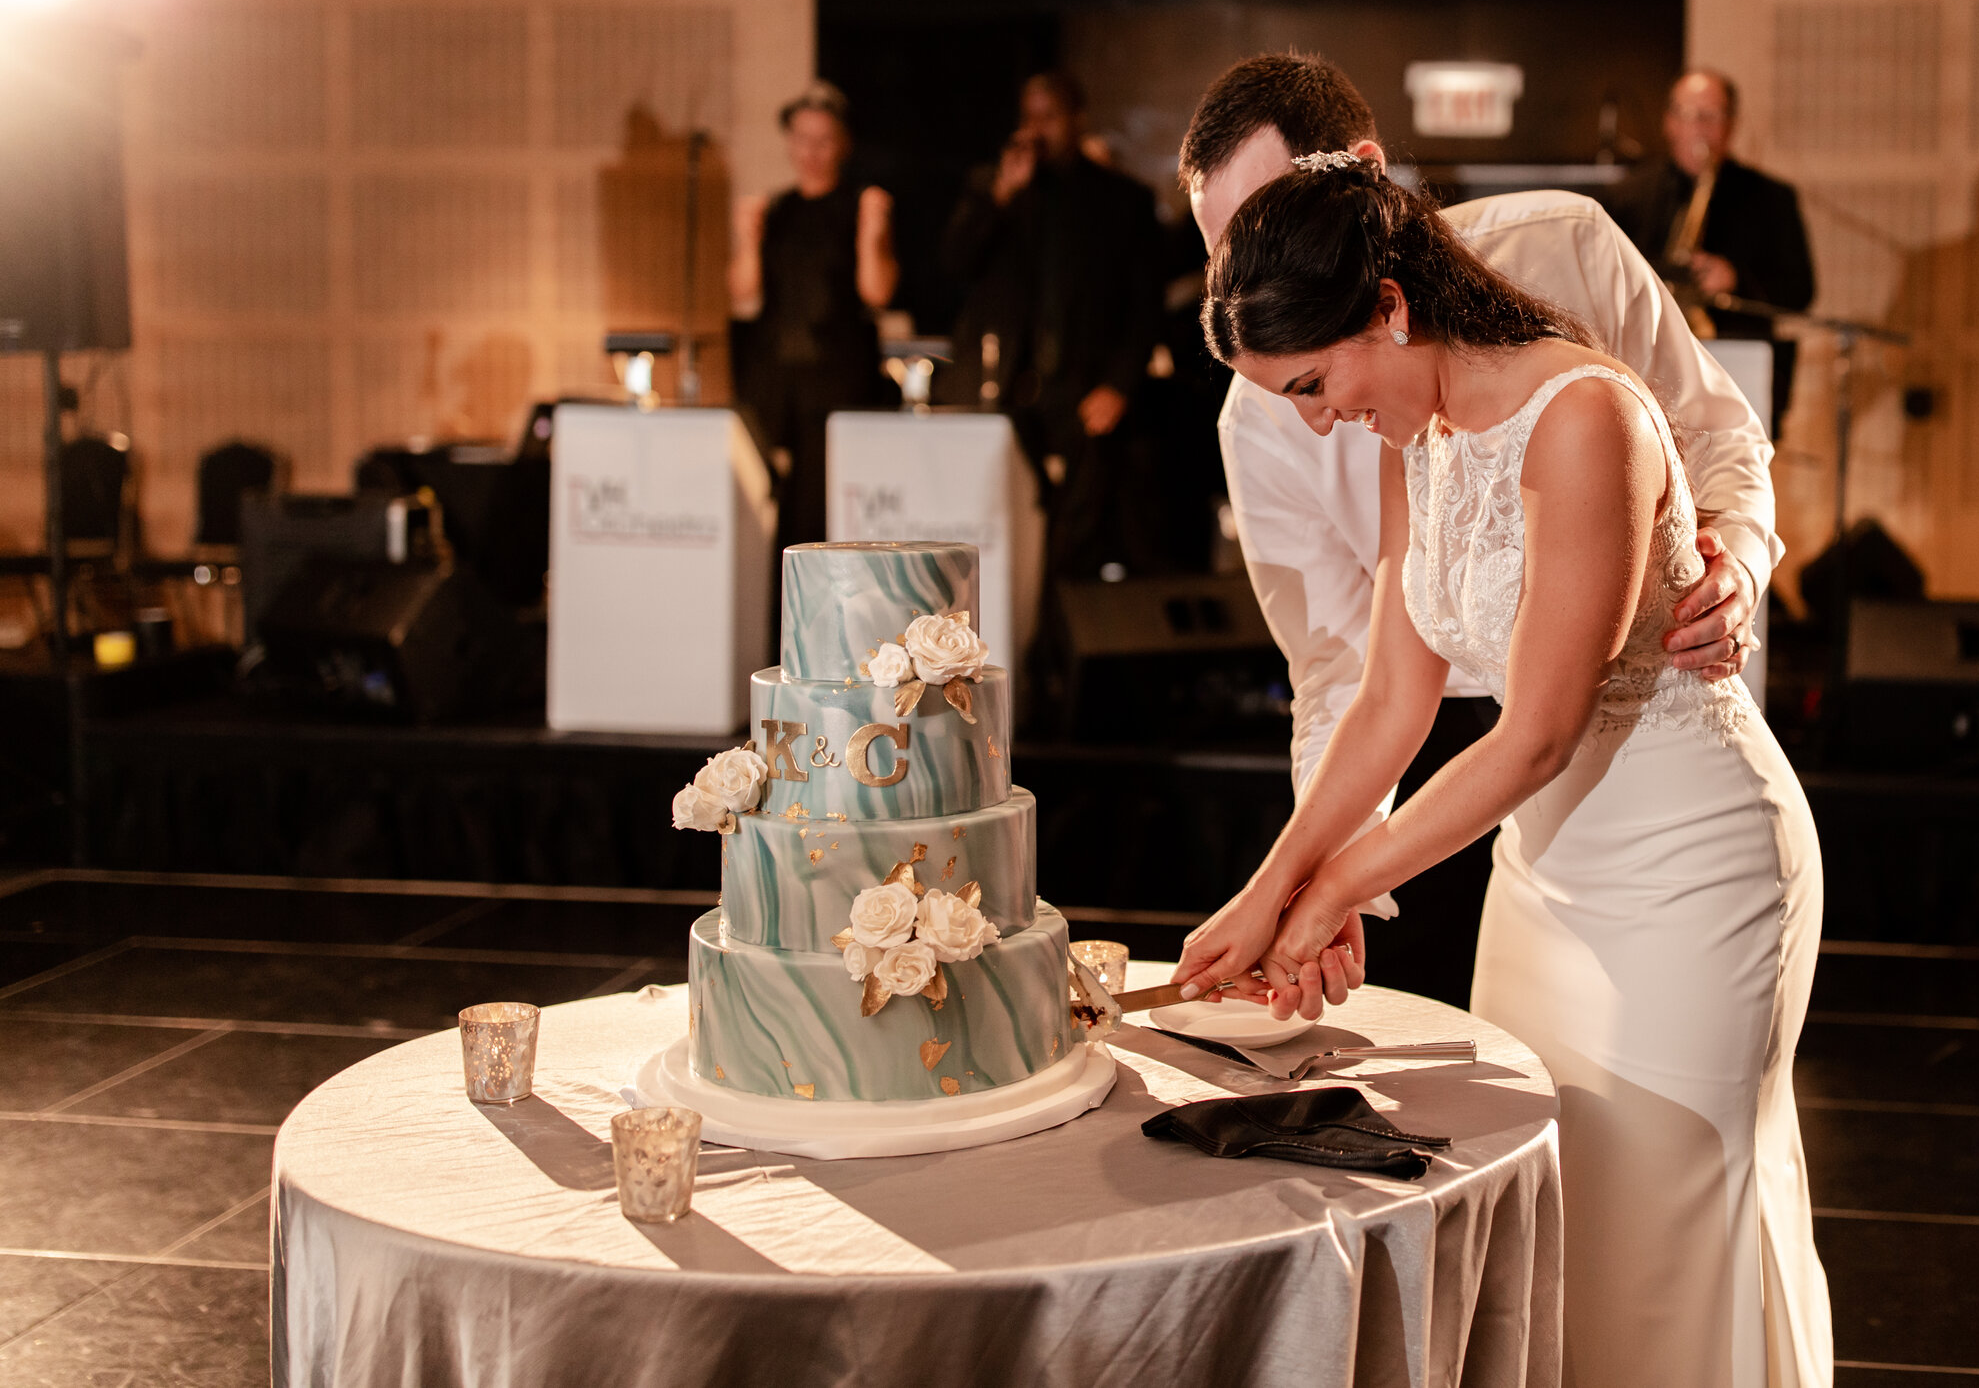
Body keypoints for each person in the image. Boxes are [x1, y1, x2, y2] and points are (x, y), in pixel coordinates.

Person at [1174, 153, 1829, 1388]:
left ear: (1388, 303)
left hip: (1693, 867)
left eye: (1314, 384)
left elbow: (1533, 728)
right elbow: (1387, 702)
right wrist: (1270, 885)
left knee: (1668, 1235)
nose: (1318, 419)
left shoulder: (1587, 413)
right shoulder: (1408, 434)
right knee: (1559, 1223)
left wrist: (1334, 894)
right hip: (1544, 873)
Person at [1183, 53, 1777, 1008]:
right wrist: (1291, 885)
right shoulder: (1292, 421)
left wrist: (1736, 562)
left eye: (1274, 224)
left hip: (1654, 792)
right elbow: (1354, 678)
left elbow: (1718, 436)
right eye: (1227, 251)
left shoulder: (1564, 264)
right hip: (1490, 805)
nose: (1253, 270)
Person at [941, 72, 1164, 580]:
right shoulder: (998, 191)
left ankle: (1061, 653)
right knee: (1005, 533)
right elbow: (955, 264)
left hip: (1083, 393)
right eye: (1029, 117)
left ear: (1076, 120)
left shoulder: (1120, 198)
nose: (1037, 129)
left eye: (1049, 116)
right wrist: (1001, 193)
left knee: (1076, 540)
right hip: (1006, 393)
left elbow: (1144, 304)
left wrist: (1118, 384)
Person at [728, 82, 899, 547]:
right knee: (763, 496)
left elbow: (878, 292)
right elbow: (743, 295)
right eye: (802, 139)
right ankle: (764, 610)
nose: (811, 151)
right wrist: (746, 237)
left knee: (821, 506)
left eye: (823, 140)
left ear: (843, 144)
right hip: (776, 376)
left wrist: (873, 234)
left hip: (836, 378)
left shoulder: (860, 205)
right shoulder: (776, 209)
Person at [1605, 69, 1816, 435]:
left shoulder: (1772, 198)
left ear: (1731, 125)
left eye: (1710, 116)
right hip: (1648, 369)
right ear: (1669, 123)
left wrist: (1737, 279)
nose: (1698, 128)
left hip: (1737, 373)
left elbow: (1801, 289)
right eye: (1687, 115)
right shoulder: (1628, 196)